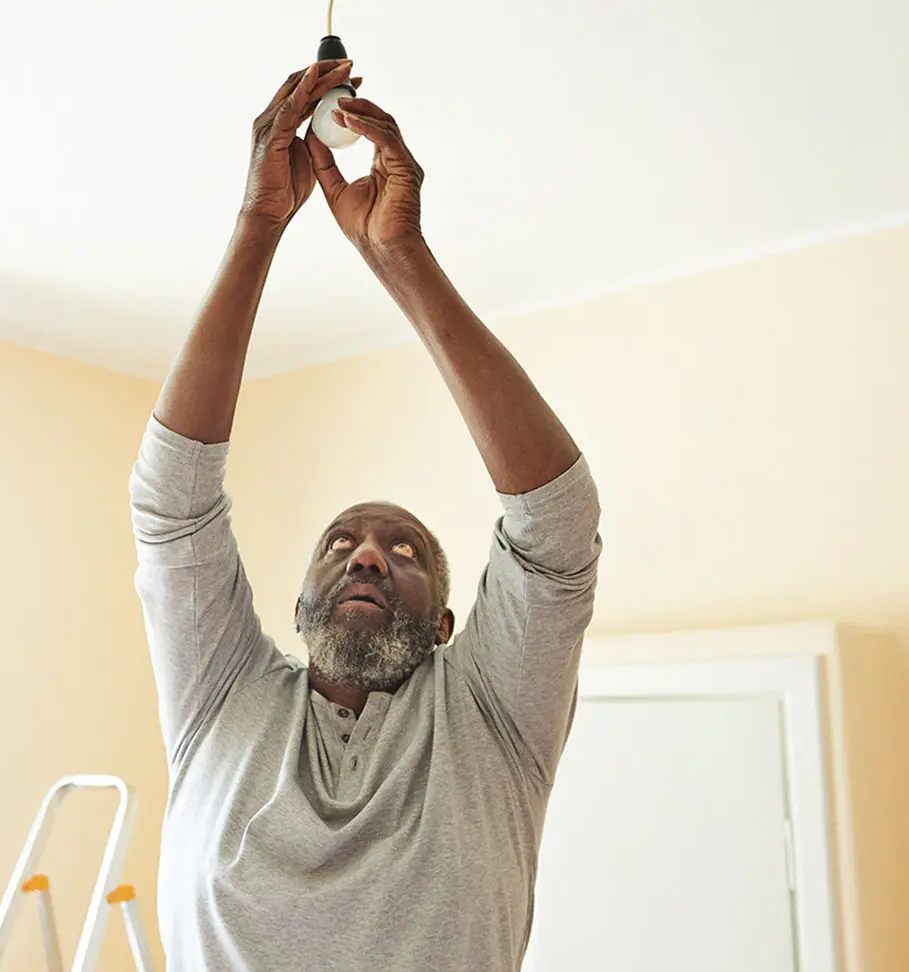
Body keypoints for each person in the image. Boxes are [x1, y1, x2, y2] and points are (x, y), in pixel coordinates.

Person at [129, 58, 603, 971]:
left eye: (405, 550)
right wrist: (258, 225)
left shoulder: (493, 721)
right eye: (341, 544)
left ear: (449, 625)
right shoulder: (220, 699)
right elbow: (172, 507)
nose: (369, 557)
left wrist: (403, 259)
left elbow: (557, 530)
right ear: (299, 609)